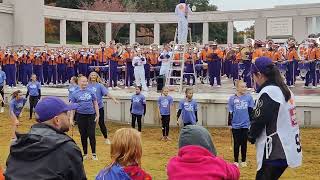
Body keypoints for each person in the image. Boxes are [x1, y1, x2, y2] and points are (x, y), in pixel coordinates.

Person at [4, 96, 87, 180]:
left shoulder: (19, 145)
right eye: (65, 113)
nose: (68, 116)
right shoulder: (67, 148)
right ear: (57, 120)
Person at [249, 57, 302, 180]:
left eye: (254, 76)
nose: (254, 79)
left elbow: (260, 119)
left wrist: (251, 135)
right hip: (287, 145)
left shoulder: (269, 92)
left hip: (274, 149)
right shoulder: (284, 89)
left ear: (260, 75)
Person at [167, 125, 240, 180]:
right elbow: (234, 173)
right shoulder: (218, 164)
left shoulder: (173, 164)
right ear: (208, 144)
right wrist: (235, 166)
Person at [70, 76, 100, 160]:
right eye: (83, 81)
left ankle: (94, 153)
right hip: (80, 116)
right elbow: (73, 107)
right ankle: (85, 153)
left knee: (91, 134)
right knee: (83, 135)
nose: (85, 83)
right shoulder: (75, 93)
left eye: (86, 81)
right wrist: (71, 119)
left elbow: (95, 103)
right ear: (79, 82)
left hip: (91, 115)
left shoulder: (91, 92)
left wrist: (98, 115)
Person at [228, 80, 254, 167]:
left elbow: (251, 111)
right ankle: (235, 161)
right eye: (242, 87)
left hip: (245, 124)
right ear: (237, 88)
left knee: (244, 143)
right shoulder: (232, 99)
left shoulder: (249, 98)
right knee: (236, 143)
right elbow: (230, 112)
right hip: (235, 124)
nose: (244, 88)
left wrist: (251, 123)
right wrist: (230, 124)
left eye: (245, 86)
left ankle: (243, 160)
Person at [88, 72, 119, 144]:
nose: (93, 76)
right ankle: (90, 139)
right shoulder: (87, 86)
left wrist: (114, 99)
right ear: (89, 77)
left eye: (94, 75)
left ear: (97, 77)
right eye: (91, 75)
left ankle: (106, 138)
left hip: (99, 107)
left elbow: (107, 93)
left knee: (101, 123)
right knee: (90, 124)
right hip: (90, 108)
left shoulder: (100, 86)